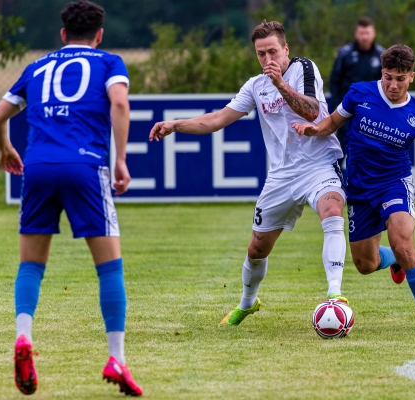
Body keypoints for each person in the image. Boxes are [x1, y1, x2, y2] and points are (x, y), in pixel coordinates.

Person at [0, 1, 142, 396]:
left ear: (62, 35)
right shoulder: (109, 63)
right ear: (100, 34)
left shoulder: (36, 68)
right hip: (86, 167)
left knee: (31, 264)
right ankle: (117, 358)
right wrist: (121, 158)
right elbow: (120, 103)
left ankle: (23, 337)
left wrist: (5, 149)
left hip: (37, 166)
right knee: (109, 267)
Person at [149, 20, 348, 327]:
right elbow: (217, 119)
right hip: (281, 176)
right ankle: (247, 303)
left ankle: (334, 296)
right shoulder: (255, 86)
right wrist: (176, 124)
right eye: (260, 54)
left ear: (286, 49)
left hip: (318, 164)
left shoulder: (304, 69)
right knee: (257, 248)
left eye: (272, 52)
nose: (268, 60)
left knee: (332, 209)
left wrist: (281, 83)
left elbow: (310, 111)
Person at [293, 44, 415, 333]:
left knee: (403, 243)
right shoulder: (359, 93)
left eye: (400, 78)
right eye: (388, 76)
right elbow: (333, 123)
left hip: (395, 184)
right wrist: (314, 130)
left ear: (412, 77)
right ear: (382, 72)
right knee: (365, 264)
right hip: (359, 188)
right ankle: (393, 260)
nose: (392, 84)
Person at [330, 16, 385, 167]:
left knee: (369, 153)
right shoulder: (345, 54)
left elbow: (387, 84)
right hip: (347, 111)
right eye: (361, 33)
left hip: (372, 112)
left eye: (367, 33)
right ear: (356, 33)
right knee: (341, 150)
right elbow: (334, 80)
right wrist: (337, 106)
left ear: (373, 33)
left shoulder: (382, 55)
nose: (364, 37)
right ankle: (332, 186)